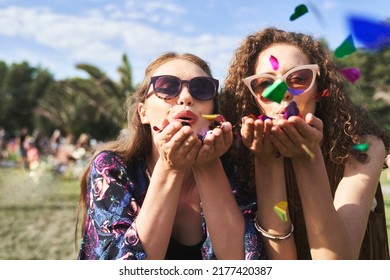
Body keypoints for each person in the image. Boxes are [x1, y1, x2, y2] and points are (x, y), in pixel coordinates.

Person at [220, 27, 390, 260]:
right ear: (253, 97)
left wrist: (307, 158)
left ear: (320, 89)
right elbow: (282, 262)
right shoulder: (242, 152)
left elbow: (335, 265)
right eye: (264, 84)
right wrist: (266, 162)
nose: (282, 93)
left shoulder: (363, 149)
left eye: (298, 79)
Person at [76, 52, 264, 260]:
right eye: (166, 87)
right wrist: (169, 167)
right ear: (143, 113)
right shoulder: (113, 168)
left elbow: (242, 265)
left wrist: (208, 166)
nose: (186, 98)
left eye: (201, 89)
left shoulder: (234, 168)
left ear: (213, 114)